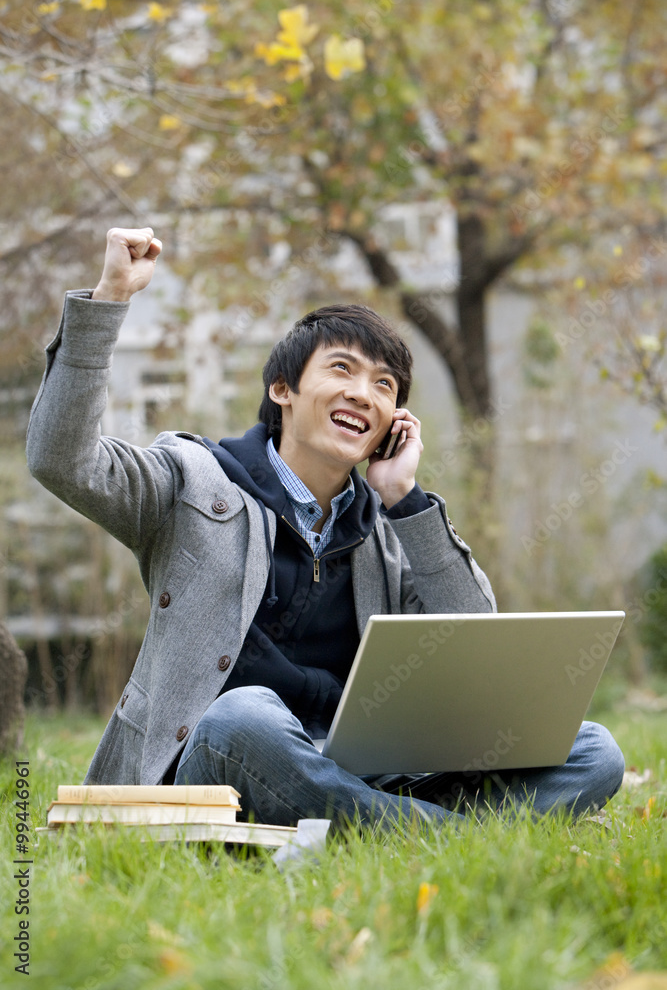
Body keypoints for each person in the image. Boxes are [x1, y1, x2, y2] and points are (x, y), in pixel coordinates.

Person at [26, 226, 624, 831]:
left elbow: (478, 641)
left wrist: (405, 499)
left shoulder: (391, 531)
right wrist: (109, 301)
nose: (364, 393)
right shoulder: (190, 480)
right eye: (343, 369)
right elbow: (61, 458)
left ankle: (382, 822)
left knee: (593, 750)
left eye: (384, 385)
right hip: (217, 761)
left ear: (396, 422)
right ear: (282, 389)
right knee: (247, 714)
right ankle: (447, 833)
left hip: (357, 768)